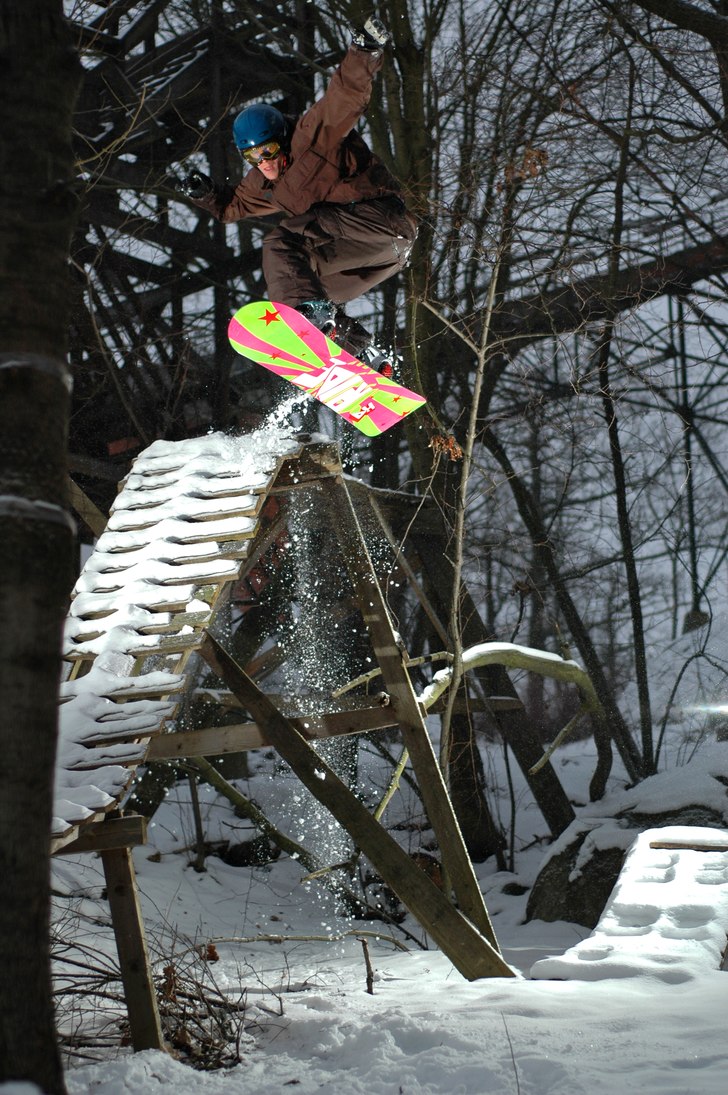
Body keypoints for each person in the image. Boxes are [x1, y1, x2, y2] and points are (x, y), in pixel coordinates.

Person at [178, 17, 417, 376]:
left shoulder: (310, 138)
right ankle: (365, 356)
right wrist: (207, 193)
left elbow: (345, 97)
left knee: (281, 242)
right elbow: (232, 207)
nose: (265, 163)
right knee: (306, 280)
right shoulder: (263, 182)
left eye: (270, 151)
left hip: (380, 219)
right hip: (381, 253)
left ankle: (306, 317)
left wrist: (364, 51)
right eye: (254, 158)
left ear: (283, 138)